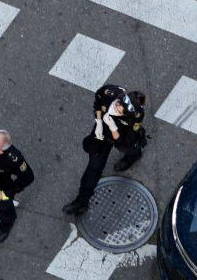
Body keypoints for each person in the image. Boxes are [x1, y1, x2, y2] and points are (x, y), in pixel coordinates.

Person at [62, 85, 147, 215]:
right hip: (102, 132)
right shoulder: (110, 93)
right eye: (118, 104)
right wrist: (99, 122)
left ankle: (133, 156)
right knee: (93, 168)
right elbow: (98, 100)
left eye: (121, 111)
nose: (117, 109)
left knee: (130, 148)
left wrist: (113, 128)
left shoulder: (136, 116)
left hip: (120, 136)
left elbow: (125, 141)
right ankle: (82, 201)